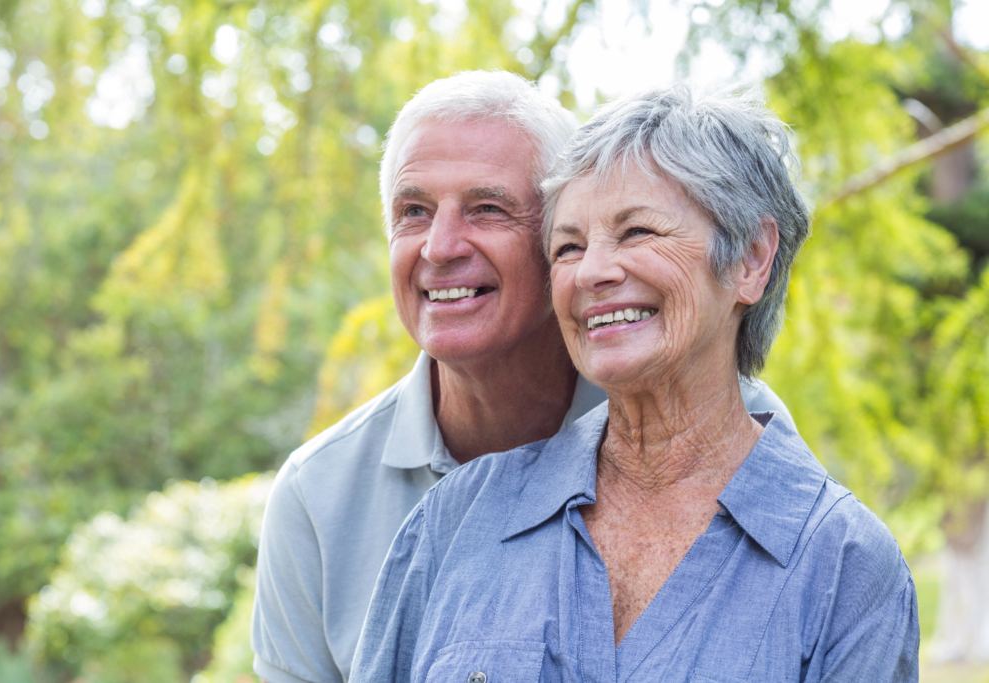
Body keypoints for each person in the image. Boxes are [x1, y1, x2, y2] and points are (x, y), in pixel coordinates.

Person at [350, 85, 918, 683]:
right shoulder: (457, 519)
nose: (592, 272)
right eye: (568, 247)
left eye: (637, 232)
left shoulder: (845, 567)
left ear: (750, 259)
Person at [251, 72, 795, 683]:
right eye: (413, 212)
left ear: (558, 242)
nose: (439, 247)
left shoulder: (735, 431)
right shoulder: (316, 495)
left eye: (488, 208)